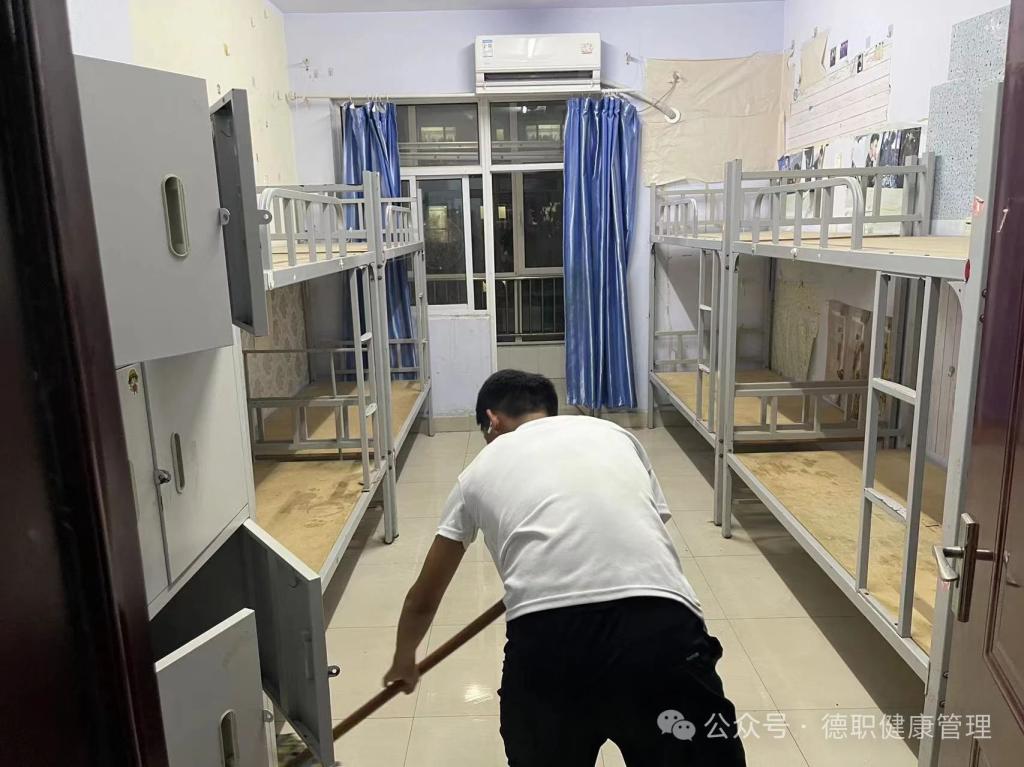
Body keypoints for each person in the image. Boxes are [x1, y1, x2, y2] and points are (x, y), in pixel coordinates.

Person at [383, 370, 746, 766]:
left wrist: (404, 659)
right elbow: (651, 523)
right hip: (661, 628)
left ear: (491, 420)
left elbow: (424, 598)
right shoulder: (615, 436)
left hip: (549, 643)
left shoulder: (476, 471)